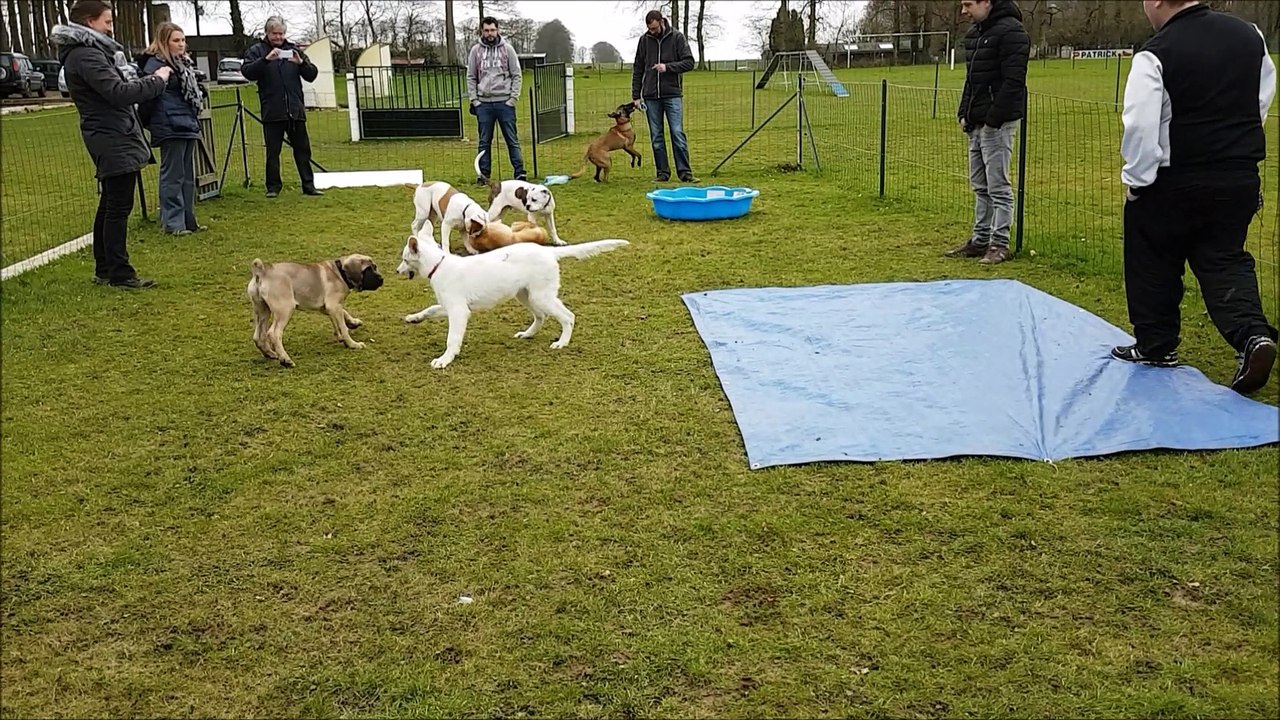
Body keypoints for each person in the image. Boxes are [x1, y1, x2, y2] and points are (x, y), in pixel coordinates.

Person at [1112, 0, 1277, 394]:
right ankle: (1252, 335)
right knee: (1224, 258)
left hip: (1175, 176)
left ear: (1155, 2)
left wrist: (1138, 179)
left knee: (1152, 257)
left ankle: (1156, 345)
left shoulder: (1155, 53)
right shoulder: (1249, 36)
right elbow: (1260, 98)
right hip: (1237, 174)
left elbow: (1140, 124)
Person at [51, 0, 170, 289]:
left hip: (112, 132)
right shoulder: (86, 56)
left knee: (110, 203)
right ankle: (119, 272)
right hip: (110, 135)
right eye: (107, 21)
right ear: (90, 22)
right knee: (118, 205)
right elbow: (117, 92)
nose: (110, 26)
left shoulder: (88, 54)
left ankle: (105, 267)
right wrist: (157, 80)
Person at [945, 0, 1029, 266]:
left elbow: (1014, 82)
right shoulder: (977, 35)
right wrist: (964, 113)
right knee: (980, 186)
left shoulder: (1012, 33)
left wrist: (993, 120)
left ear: (987, 2)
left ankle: (999, 244)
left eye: (968, 4)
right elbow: (972, 80)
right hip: (976, 123)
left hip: (998, 124)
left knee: (998, 187)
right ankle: (980, 239)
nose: (963, 11)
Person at [137, 21, 207, 236]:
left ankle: (188, 220)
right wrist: (148, 122)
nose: (181, 44)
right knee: (173, 176)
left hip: (186, 122)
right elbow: (148, 96)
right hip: (170, 124)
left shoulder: (183, 65)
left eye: (183, 40)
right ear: (164, 42)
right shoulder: (155, 66)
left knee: (187, 176)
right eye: (176, 40)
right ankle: (173, 223)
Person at [240, 16, 322, 198]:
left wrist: (301, 63)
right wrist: (266, 60)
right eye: (275, 33)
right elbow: (247, 72)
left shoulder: (293, 50)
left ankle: (309, 185)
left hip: (295, 110)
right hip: (273, 110)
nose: (278, 37)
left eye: (282, 33)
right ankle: (273, 187)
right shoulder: (256, 51)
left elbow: (312, 74)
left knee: (303, 150)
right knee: (273, 151)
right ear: (267, 33)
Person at [631, 10, 698, 183]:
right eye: (649, 29)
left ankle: (685, 172)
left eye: (654, 28)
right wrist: (636, 95)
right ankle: (662, 173)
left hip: (672, 94)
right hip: (651, 96)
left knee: (677, 133)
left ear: (661, 22)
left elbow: (689, 62)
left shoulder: (677, 38)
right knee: (656, 136)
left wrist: (668, 67)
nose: (651, 32)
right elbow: (638, 68)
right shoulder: (644, 40)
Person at [467, 16, 525, 185]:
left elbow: (517, 75)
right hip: (483, 104)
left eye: (492, 30)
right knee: (484, 141)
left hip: (504, 103)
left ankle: (520, 172)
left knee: (511, 139)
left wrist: (513, 98)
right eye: (486, 30)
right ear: (481, 31)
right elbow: (471, 77)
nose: (490, 33)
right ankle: (483, 175)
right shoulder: (475, 51)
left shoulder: (507, 50)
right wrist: (475, 100)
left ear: (498, 30)